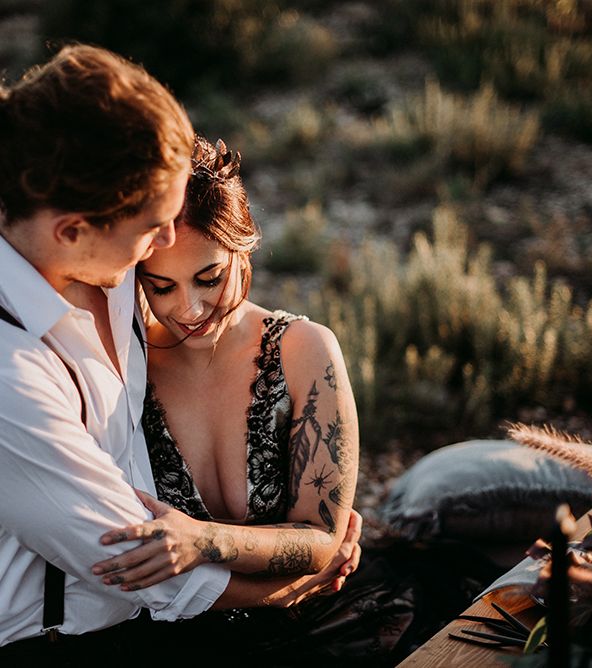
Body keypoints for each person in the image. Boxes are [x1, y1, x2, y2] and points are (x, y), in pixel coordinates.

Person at [0, 44, 359, 666]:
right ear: (73, 229)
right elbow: (133, 559)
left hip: (146, 628)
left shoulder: (110, 272)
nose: (161, 248)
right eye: (151, 233)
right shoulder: (12, 366)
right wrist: (294, 578)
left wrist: (309, 545)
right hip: (48, 645)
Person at [88, 135, 423, 666]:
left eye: (209, 277)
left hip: (323, 621)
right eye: (161, 286)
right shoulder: (129, 369)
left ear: (243, 248)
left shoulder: (303, 351)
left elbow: (321, 540)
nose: (189, 308)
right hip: (184, 637)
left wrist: (201, 540)